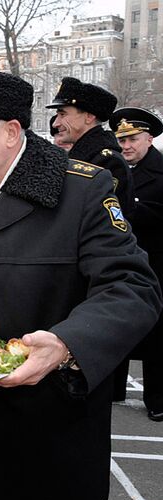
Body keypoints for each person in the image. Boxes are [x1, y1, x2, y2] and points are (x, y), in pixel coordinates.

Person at [0, 66, 161, 500]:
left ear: (11, 131)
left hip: (54, 434)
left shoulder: (82, 190)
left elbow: (133, 286)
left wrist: (68, 343)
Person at [108, 107, 163, 421]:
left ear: (149, 138)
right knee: (116, 322)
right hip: (121, 259)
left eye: (132, 139)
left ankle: (157, 397)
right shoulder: (114, 170)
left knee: (157, 335)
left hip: (156, 261)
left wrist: (129, 207)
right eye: (121, 139)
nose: (125, 145)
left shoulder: (160, 170)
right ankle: (114, 388)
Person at [47, 76, 134, 216]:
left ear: (89, 117)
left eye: (63, 114)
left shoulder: (108, 162)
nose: (55, 123)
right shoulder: (83, 156)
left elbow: (106, 223)